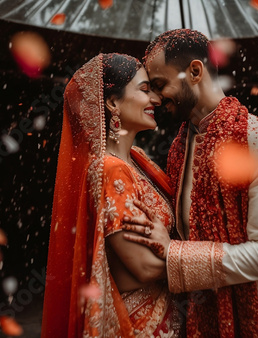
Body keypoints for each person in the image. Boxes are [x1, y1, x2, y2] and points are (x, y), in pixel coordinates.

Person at [122, 29, 258, 337]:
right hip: (197, 314)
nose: (154, 97)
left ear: (195, 71)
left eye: (159, 84)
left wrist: (174, 254)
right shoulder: (179, 147)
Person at [41, 53, 180, 337]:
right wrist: (211, 261)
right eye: (144, 90)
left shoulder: (137, 161)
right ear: (113, 102)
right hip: (142, 326)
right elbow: (142, 267)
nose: (155, 100)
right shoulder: (111, 169)